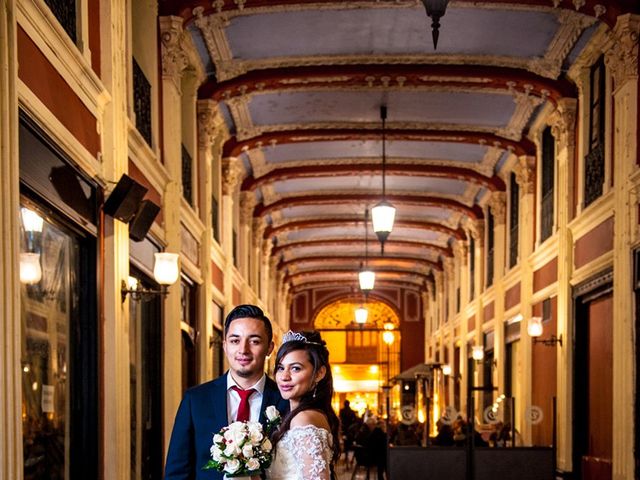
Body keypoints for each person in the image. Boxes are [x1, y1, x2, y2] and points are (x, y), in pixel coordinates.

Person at [164, 304, 289, 480]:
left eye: (254, 341)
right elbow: (176, 473)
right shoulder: (196, 400)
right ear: (224, 345)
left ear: (269, 348)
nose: (243, 350)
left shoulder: (286, 402)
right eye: (235, 340)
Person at [265, 331, 340, 480]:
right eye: (281, 367)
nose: (284, 376)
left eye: (295, 368)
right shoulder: (305, 415)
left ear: (319, 373)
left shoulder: (303, 419)